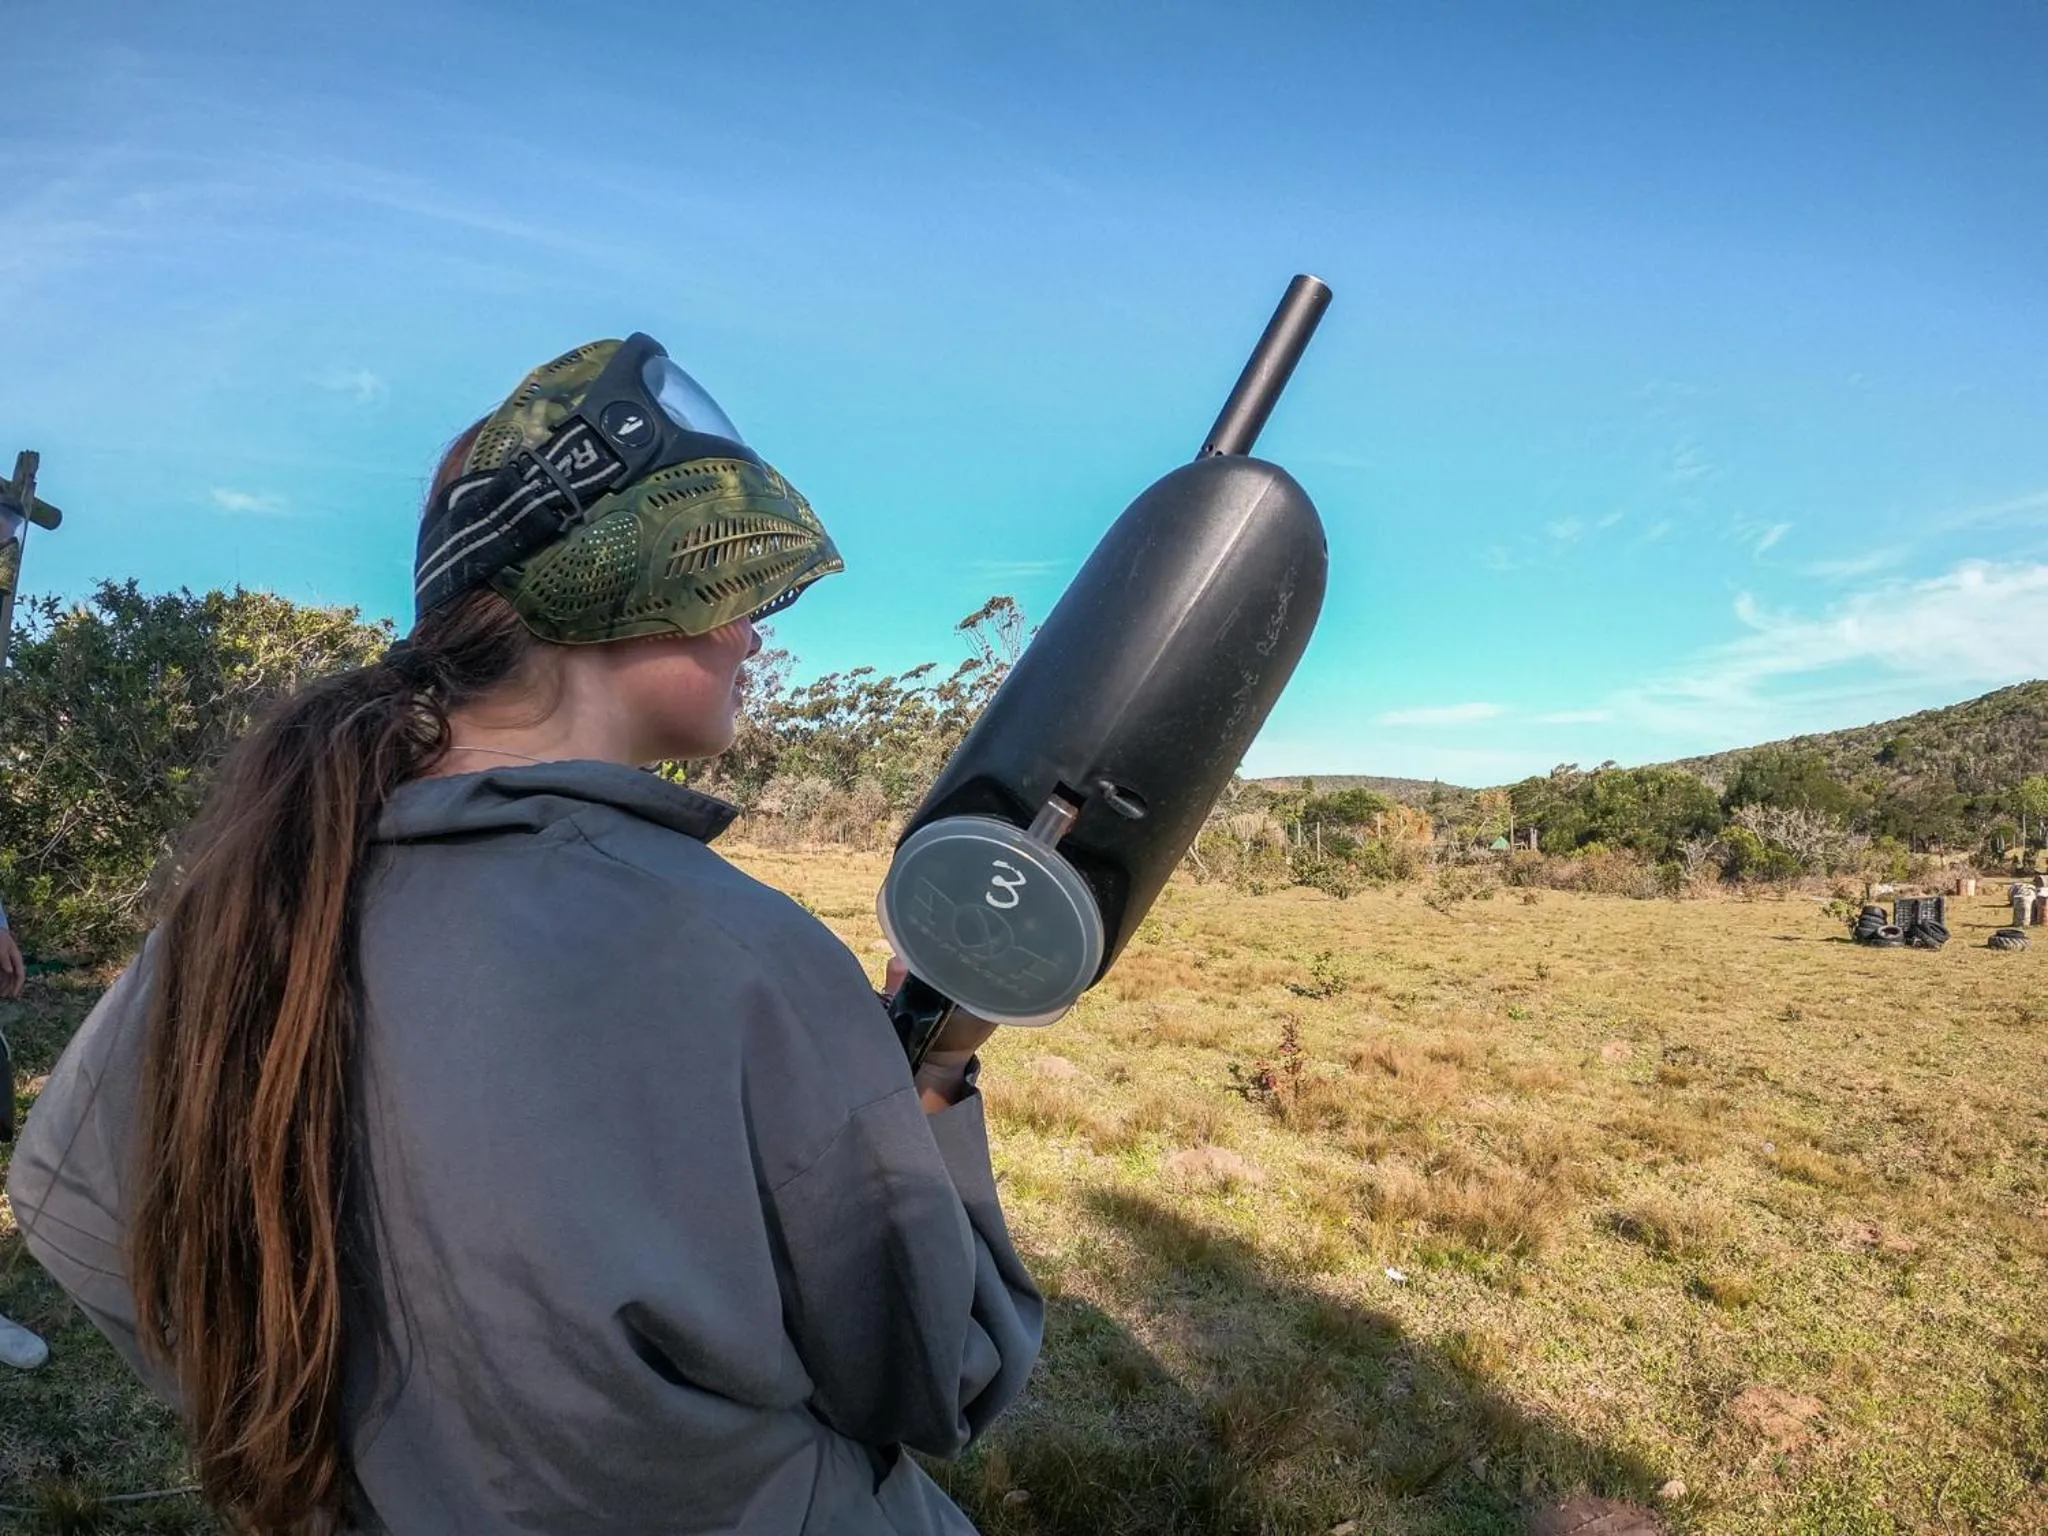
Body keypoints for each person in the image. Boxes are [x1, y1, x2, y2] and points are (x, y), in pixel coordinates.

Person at [7, 336, 1043, 1533]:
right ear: (613, 582)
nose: (752, 633)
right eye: (721, 588)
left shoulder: (244, 906)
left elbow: (71, 1213)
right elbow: (939, 1373)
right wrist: (937, 1069)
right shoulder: (739, 952)